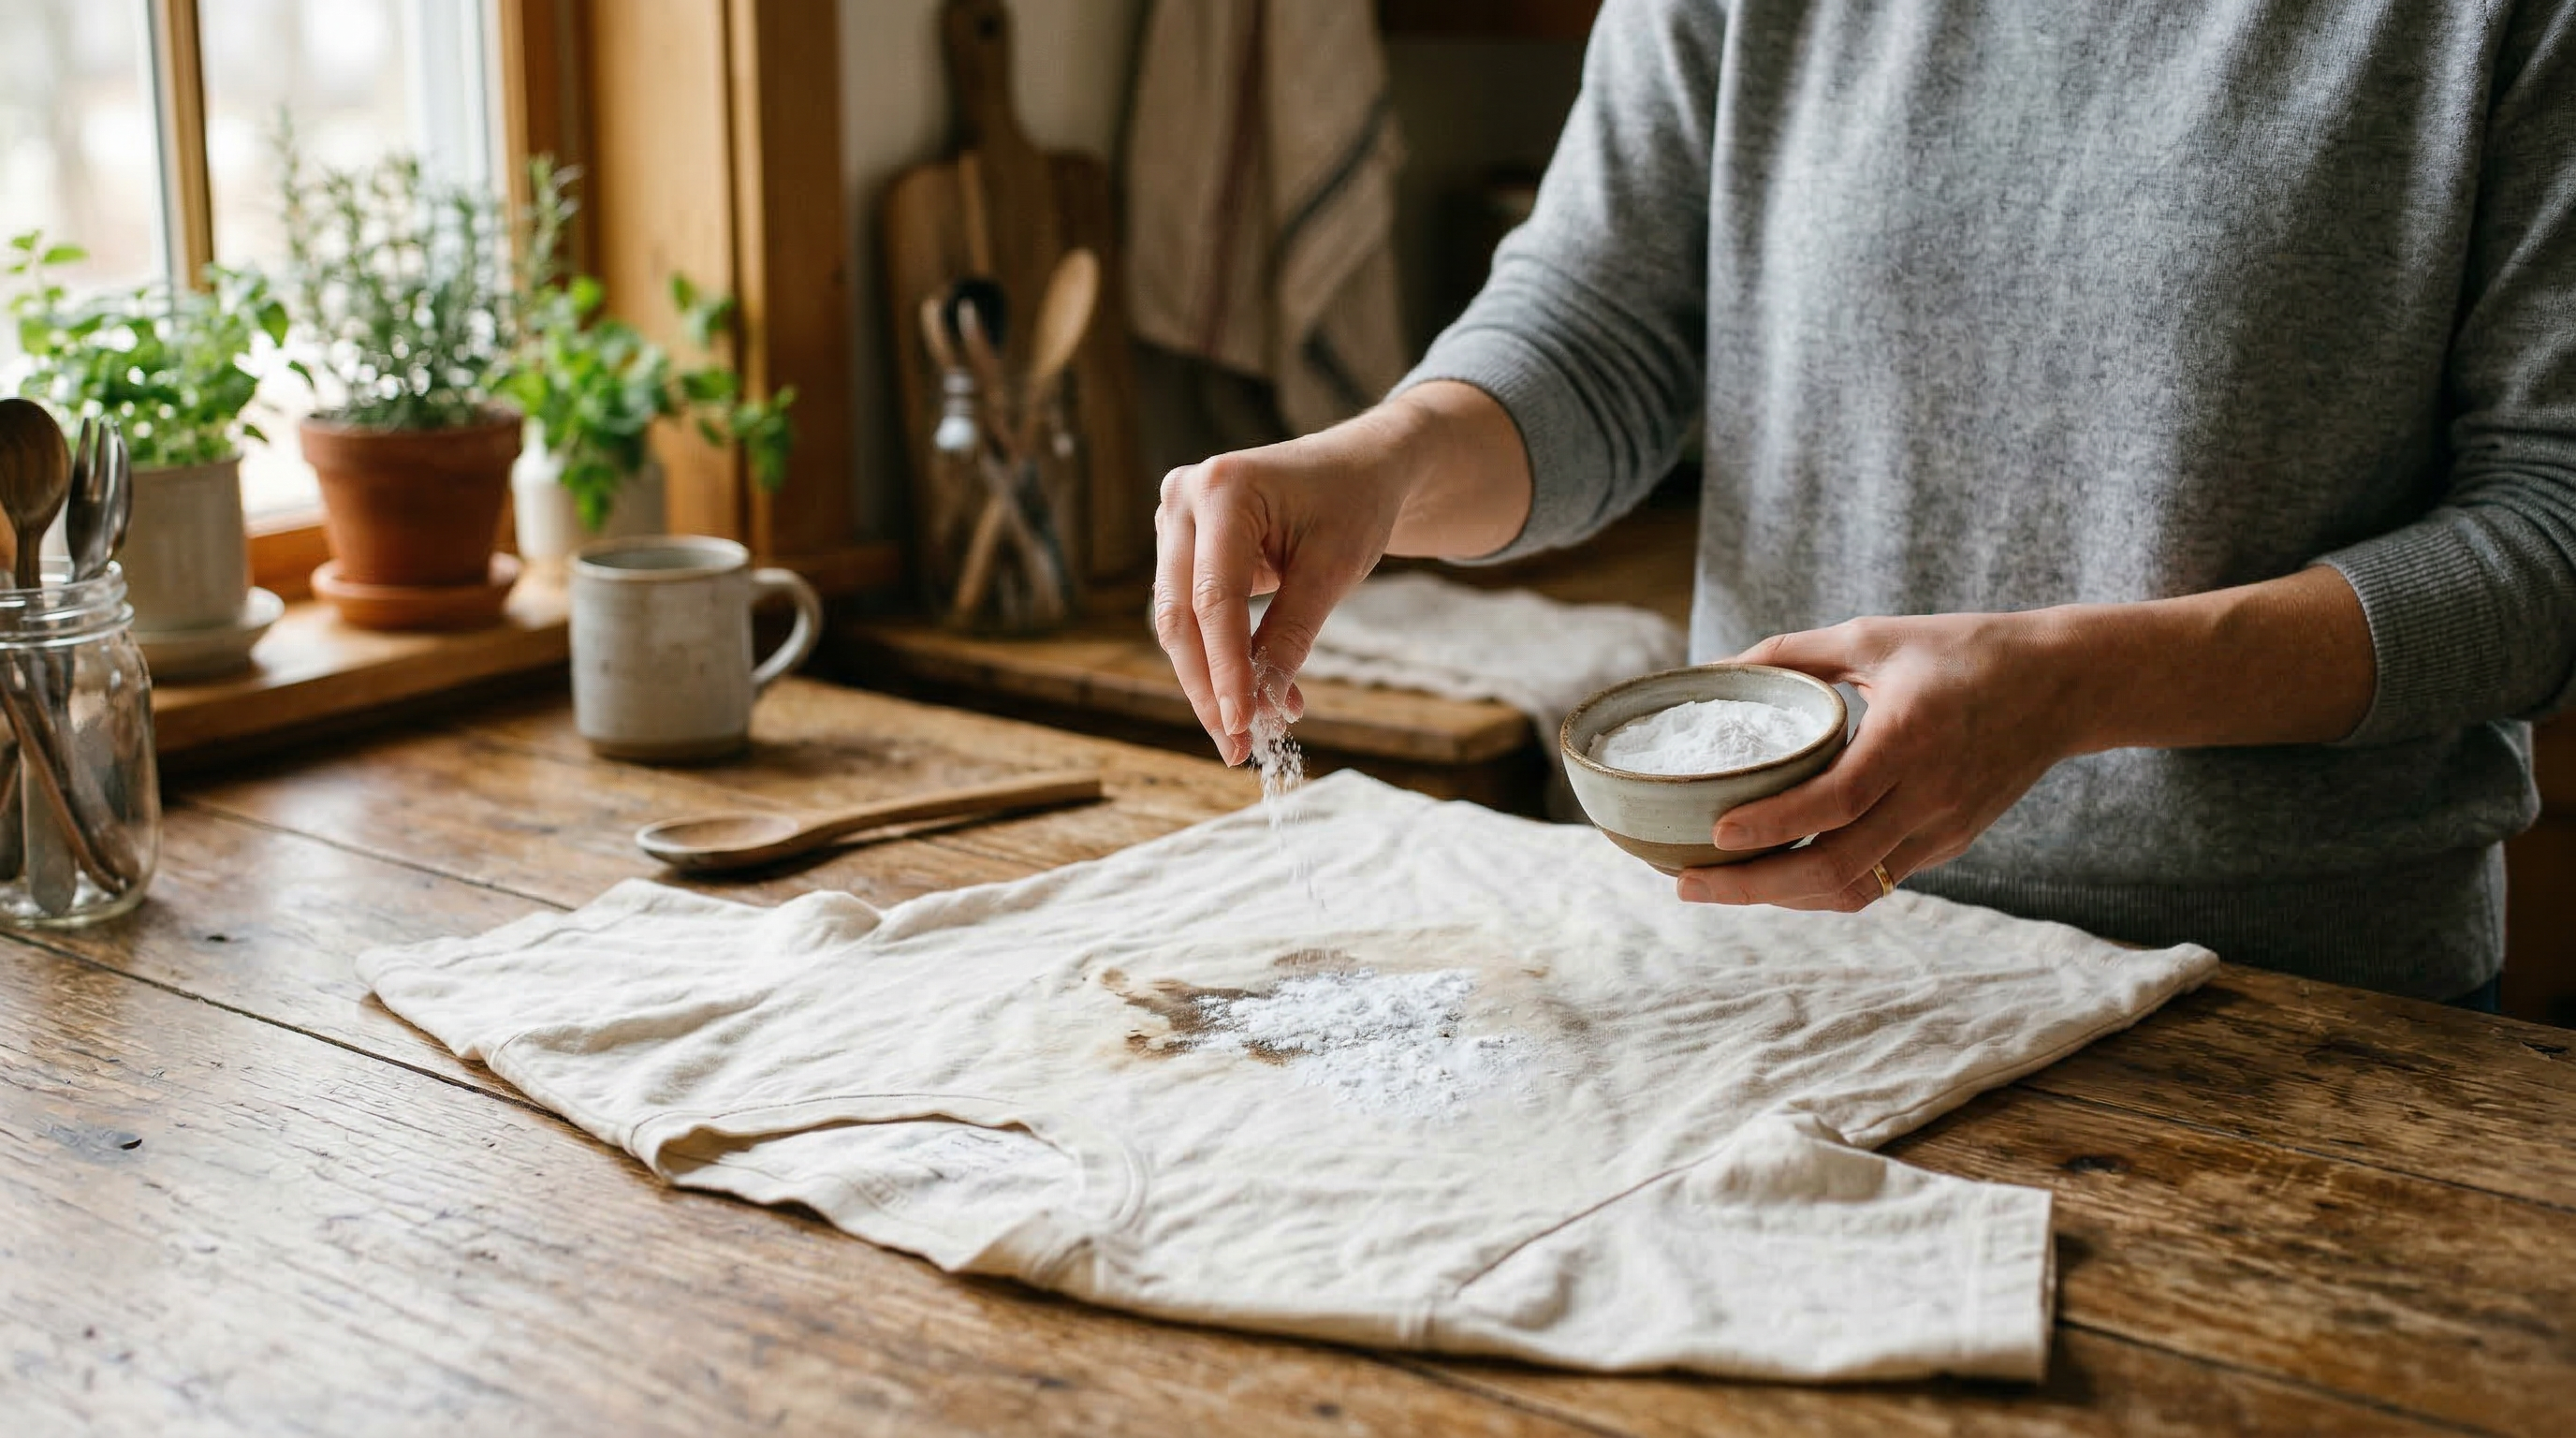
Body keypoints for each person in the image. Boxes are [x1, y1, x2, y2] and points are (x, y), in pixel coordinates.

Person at [1149, 0, 2576, 1007]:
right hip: (1778, 978)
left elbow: (2549, 532)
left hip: (2290, 1023)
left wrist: (2074, 689)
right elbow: (1604, 331)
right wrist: (1383, 462)